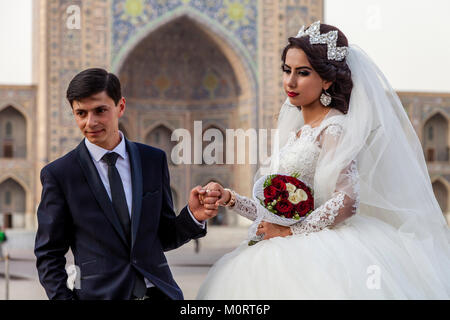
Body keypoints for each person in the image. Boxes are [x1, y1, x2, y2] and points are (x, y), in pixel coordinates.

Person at [196, 21, 450, 299]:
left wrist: (292, 234)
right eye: (287, 70)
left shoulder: (333, 128)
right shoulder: (299, 133)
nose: (290, 82)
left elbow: (348, 199)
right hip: (286, 241)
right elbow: (270, 210)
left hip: (319, 250)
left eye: (303, 73)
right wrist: (229, 198)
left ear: (327, 80)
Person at [34, 68, 220, 300]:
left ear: (120, 106)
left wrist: (193, 215)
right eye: (81, 113)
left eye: (100, 111)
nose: (90, 122)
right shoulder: (61, 174)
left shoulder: (152, 160)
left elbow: (162, 236)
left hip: (159, 292)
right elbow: (48, 254)